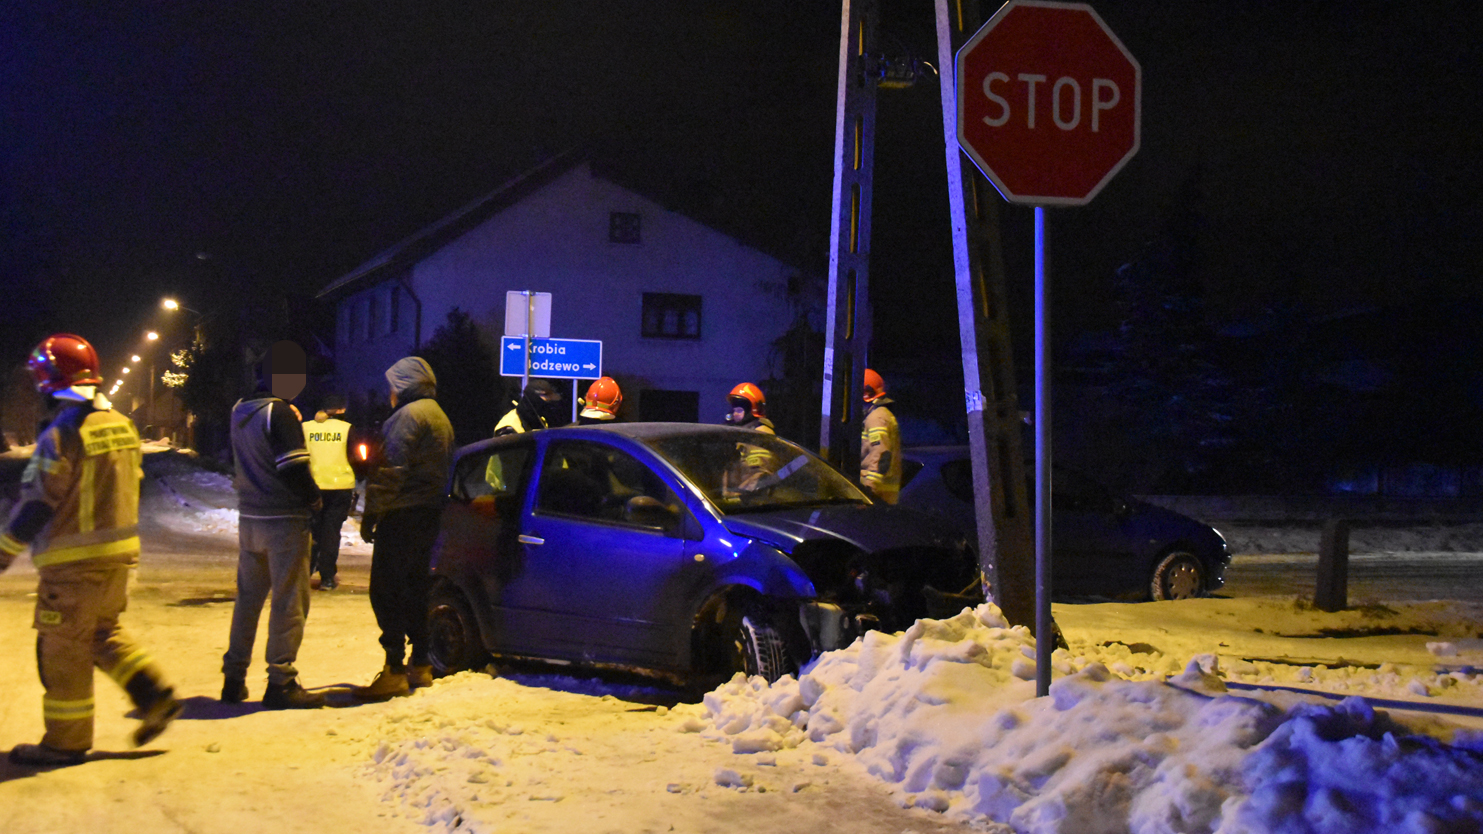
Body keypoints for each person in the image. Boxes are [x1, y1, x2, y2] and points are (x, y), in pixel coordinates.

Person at [1, 334, 180, 766]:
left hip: (71, 567)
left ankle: (64, 742)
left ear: (51, 383)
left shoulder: (61, 435)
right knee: (102, 635)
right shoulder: (121, 424)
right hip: (119, 559)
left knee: (62, 650)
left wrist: (5, 551)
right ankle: (154, 697)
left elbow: (40, 502)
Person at [221, 340, 325, 709]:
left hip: (250, 519)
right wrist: (314, 498)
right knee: (288, 601)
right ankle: (281, 681)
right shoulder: (278, 413)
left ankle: (233, 677)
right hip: (284, 521)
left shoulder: (240, 410)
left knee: (247, 600)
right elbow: (292, 466)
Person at [355, 357, 454, 700]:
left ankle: (393, 668)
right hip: (428, 513)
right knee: (415, 588)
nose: (390, 393)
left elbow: (390, 469)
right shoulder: (439, 416)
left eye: (393, 386)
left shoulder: (407, 417)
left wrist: (373, 513)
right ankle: (421, 662)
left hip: (402, 513)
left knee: (386, 590)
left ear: (405, 384)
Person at [303, 394, 355, 591]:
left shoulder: (307, 428)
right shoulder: (347, 429)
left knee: (313, 530)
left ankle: (305, 570)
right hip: (341, 486)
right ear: (341, 410)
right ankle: (327, 577)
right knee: (332, 531)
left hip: (313, 486)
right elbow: (355, 457)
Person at [721, 382, 778, 498]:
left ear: (753, 410)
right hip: (732, 501)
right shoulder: (743, 433)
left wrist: (738, 498)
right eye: (734, 409)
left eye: (740, 410)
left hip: (746, 503)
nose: (735, 414)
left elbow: (759, 476)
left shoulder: (759, 434)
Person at [860, 369, 901, 504]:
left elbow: (880, 455)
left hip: (876, 496)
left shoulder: (876, 418)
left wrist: (868, 490)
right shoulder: (881, 415)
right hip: (882, 494)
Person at [494, 379, 563, 435]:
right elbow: (508, 451)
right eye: (547, 398)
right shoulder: (508, 426)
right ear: (533, 398)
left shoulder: (539, 420)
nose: (549, 403)